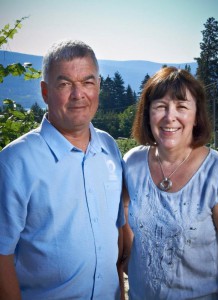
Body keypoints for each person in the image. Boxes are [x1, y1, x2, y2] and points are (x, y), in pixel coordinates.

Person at [0, 39, 124, 300]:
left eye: (88, 82)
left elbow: (117, 236)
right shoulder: (15, 162)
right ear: (45, 92)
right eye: (65, 83)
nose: (78, 94)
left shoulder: (110, 148)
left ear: (98, 86)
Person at [121, 67, 218, 299]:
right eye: (160, 106)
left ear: (196, 116)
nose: (169, 116)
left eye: (181, 107)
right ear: (148, 114)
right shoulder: (132, 163)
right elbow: (123, 213)